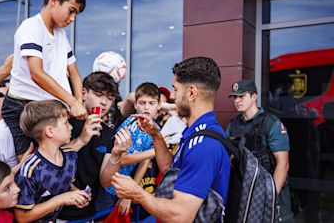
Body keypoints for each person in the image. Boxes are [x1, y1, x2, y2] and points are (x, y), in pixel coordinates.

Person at [111, 57, 231, 222]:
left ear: (191, 93)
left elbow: (181, 215)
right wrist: (156, 136)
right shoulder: (196, 130)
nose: (173, 96)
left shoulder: (204, 144)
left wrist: (137, 193)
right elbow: (169, 168)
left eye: (175, 89)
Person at [2, 0, 87, 160]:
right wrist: (72, 102)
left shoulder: (61, 34)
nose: (72, 19)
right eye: (71, 11)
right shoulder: (31, 27)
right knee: (29, 164)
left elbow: (75, 74)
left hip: (49, 108)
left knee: (56, 161)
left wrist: (78, 103)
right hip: (23, 106)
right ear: (54, 0)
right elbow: (37, 73)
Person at [57, 72, 132, 222]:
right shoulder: (64, 122)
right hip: (54, 211)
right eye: (98, 95)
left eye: (110, 98)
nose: (104, 102)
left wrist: (116, 155)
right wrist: (81, 140)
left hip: (87, 212)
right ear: (84, 93)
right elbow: (49, 160)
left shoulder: (109, 133)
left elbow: (106, 182)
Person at [226, 79, 293, 222]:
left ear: (254, 96)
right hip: (244, 193)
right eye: (235, 97)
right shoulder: (233, 125)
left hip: (269, 191)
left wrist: (271, 196)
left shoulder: (271, 123)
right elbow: (229, 158)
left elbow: (283, 163)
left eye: (242, 96)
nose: (237, 100)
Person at [14, 100, 91, 222]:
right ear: (50, 131)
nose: (71, 127)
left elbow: (64, 182)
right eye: (66, 123)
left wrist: (76, 194)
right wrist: (61, 199)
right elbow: (22, 217)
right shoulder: (30, 169)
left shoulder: (70, 156)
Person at [103, 82, 161, 214]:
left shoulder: (156, 129)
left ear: (158, 106)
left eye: (151, 103)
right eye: (142, 103)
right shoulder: (131, 124)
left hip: (125, 187)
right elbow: (121, 159)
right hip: (109, 184)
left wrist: (130, 193)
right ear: (135, 105)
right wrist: (152, 151)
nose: (146, 108)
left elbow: (144, 162)